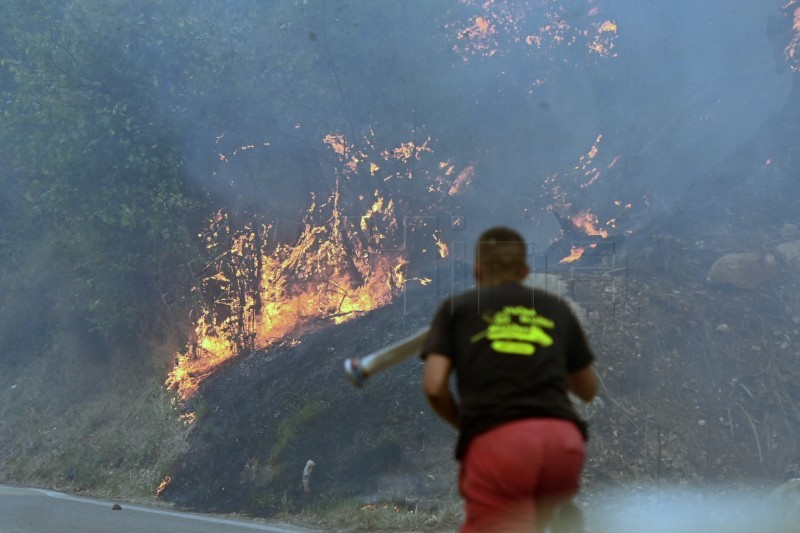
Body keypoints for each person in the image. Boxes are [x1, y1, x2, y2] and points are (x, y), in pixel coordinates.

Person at [421, 226, 598, 533]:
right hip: (562, 442)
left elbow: (435, 386)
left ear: (476, 270)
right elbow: (587, 389)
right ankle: (553, 516)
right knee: (534, 517)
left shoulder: (457, 309)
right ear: (525, 271)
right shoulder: (556, 309)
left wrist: (468, 425)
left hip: (500, 444)